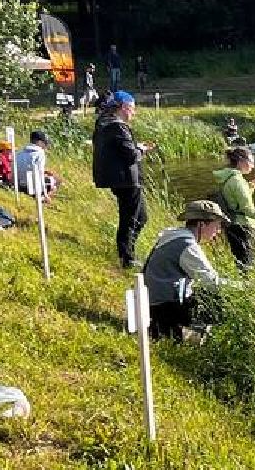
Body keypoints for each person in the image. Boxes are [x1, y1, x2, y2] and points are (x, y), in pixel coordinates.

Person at [141, 200, 227, 341]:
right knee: (220, 302)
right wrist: (248, 288)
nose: (218, 231)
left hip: (151, 302)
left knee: (206, 296)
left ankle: (190, 333)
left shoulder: (174, 235)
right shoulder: (187, 246)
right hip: (162, 307)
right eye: (217, 226)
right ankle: (193, 335)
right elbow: (212, 282)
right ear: (201, 224)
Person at [92, 91, 152, 269]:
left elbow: (119, 150)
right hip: (126, 180)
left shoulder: (103, 124)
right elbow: (131, 155)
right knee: (132, 218)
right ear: (124, 108)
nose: (133, 113)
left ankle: (127, 253)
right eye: (132, 109)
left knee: (139, 217)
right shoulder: (117, 127)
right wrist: (141, 149)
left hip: (120, 179)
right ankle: (127, 258)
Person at [13, 130, 59, 198]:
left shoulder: (19, 153)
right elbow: (40, 173)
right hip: (33, 189)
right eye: (45, 143)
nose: (46, 146)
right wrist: (44, 193)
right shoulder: (40, 154)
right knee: (55, 181)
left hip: (19, 186)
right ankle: (45, 198)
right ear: (39, 142)